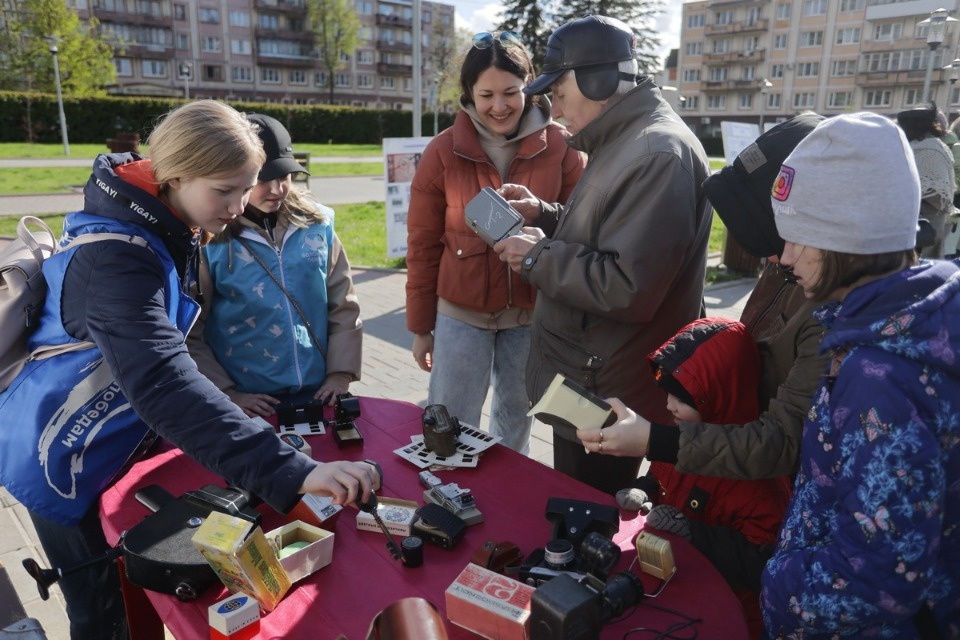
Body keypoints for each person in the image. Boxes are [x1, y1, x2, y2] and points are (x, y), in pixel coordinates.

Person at [0, 100, 378, 639]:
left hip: (107, 439)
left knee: (138, 596)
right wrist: (293, 473)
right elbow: (163, 381)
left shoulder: (157, 218)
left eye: (246, 186)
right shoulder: (116, 260)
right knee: (106, 613)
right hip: (63, 457)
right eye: (224, 190)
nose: (239, 204)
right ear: (174, 175)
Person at [760, 111, 960, 637]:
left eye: (800, 238)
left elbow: (875, 577)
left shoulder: (880, 374)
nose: (785, 257)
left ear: (849, 240)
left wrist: (781, 588)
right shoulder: (909, 323)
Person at [493, 15, 711, 493]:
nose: (554, 109)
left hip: (606, 388)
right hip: (588, 372)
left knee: (585, 513)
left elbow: (629, 287)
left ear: (598, 80)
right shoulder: (626, 141)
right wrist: (546, 215)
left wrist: (537, 257)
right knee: (575, 502)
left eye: (560, 93)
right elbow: (610, 230)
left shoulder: (656, 153)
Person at [578, 113, 829, 482]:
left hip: (766, 491)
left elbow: (781, 441)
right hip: (722, 456)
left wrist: (657, 442)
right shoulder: (789, 267)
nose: (779, 257)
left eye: (782, 239)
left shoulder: (827, 311)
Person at [405, 30, 585, 453]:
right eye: (486, 94)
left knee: (514, 426)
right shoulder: (443, 151)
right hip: (459, 317)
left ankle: (506, 509)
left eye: (511, 92)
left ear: (530, 87)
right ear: (468, 93)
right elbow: (423, 244)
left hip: (531, 318)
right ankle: (446, 501)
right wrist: (420, 328)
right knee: (448, 426)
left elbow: (582, 226)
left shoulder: (562, 146)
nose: (499, 106)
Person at [628, 316, 792, 640]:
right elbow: (661, 474)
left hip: (728, 617)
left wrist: (692, 533)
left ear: (715, 397)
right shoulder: (683, 435)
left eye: (680, 399)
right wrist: (643, 491)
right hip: (676, 587)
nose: (668, 405)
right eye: (667, 393)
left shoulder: (760, 483)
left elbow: (763, 563)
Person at [187, 113, 362, 417]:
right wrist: (226, 392)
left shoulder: (318, 226)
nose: (278, 189)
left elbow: (343, 305)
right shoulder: (210, 240)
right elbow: (191, 330)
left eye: (285, 176)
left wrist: (341, 373)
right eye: (264, 179)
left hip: (319, 390)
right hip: (246, 401)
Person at [897, 103, 955, 259]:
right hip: (918, 217)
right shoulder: (918, 145)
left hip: (928, 217)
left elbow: (936, 190)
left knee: (925, 262)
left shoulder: (929, 148)